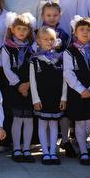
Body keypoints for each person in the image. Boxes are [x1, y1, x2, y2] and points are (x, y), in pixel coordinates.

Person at [64, 16, 90, 165]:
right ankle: (83, 152)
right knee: (80, 122)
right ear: (75, 33)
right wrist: (81, 89)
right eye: (81, 29)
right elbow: (68, 73)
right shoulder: (69, 51)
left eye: (89, 30)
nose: (85, 32)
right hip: (77, 93)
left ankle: (77, 140)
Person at [0, 12, 37, 162]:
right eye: (19, 28)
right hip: (14, 88)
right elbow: (7, 68)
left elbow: (35, 66)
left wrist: (28, 84)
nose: (22, 32)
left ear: (29, 31)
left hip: (30, 86)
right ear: (12, 29)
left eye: (25, 29)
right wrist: (18, 84)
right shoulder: (7, 48)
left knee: (28, 118)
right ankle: (16, 148)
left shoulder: (33, 47)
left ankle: (26, 148)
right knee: (17, 118)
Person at [30, 25, 66, 165]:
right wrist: (35, 99)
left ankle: (53, 152)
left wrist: (64, 97)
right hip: (42, 98)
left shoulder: (60, 58)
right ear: (38, 41)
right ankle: (45, 152)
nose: (49, 42)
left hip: (56, 97)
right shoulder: (35, 60)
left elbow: (65, 80)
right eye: (45, 39)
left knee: (54, 124)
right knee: (43, 124)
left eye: (52, 39)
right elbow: (32, 81)